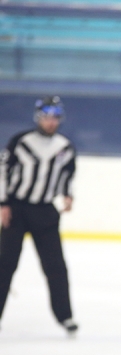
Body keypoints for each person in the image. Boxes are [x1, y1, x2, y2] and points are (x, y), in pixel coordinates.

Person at [0, 96, 77, 334]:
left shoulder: (65, 147)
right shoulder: (20, 142)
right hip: (16, 210)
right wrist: (3, 203)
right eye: (46, 117)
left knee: (56, 267)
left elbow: (68, 175)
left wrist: (68, 195)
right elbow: (2, 171)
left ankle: (65, 316)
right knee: (4, 264)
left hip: (45, 212)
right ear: (38, 118)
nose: (51, 122)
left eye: (55, 117)